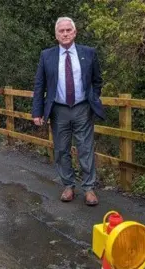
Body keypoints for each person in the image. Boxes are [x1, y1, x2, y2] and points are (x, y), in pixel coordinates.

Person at [32, 17, 105, 206]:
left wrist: (92, 99)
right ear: (56, 35)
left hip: (82, 108)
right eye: (61, 31)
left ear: (75, 32)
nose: (65, 33)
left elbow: (97, 80)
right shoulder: (46, 55)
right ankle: (68, 186)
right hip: (58, 110)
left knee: (85, 148)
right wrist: (37, 112)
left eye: (68, 30)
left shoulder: (88, 53)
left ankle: (89, 188)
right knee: (61, 149)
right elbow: (40, 85)